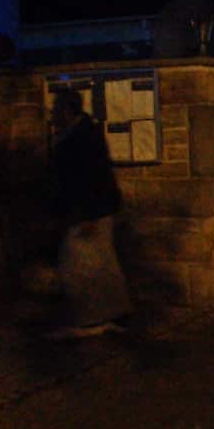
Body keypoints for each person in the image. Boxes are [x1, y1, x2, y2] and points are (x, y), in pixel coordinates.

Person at [46, 89, 134, 340]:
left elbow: (89, 178)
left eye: (55, 109)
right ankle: (116, 314)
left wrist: (88, 215)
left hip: (88, 213)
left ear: (66, 110)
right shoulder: (83, 132)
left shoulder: (80, 136)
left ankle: (90, 319)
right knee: (103, 264)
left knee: (77, 267)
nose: (52, 114)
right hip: (94, 211)